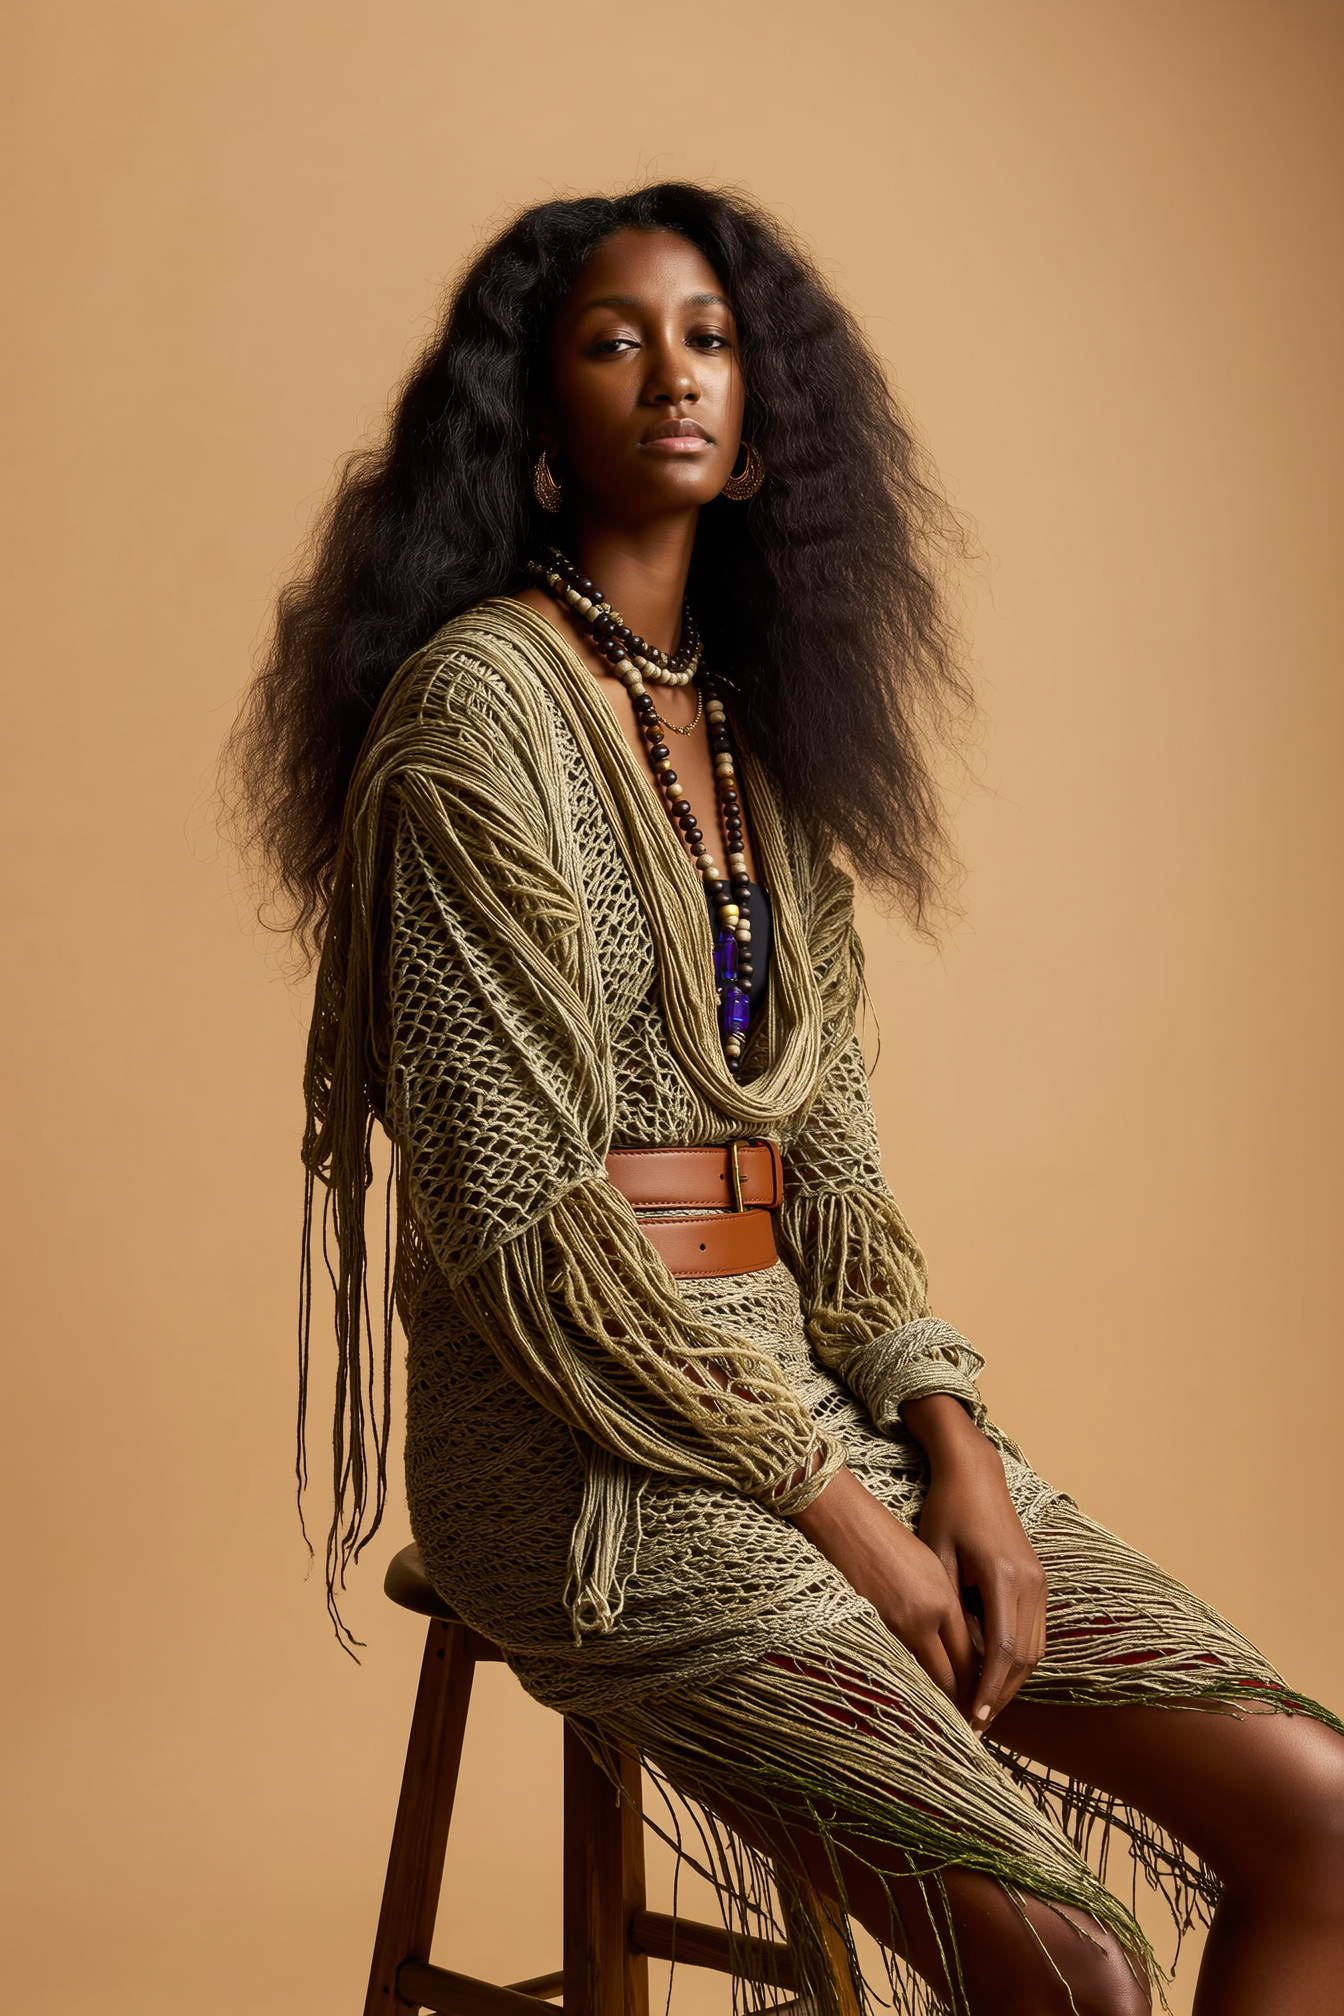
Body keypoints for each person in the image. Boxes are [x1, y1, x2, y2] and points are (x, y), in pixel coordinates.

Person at [229, 186, 1344, 2015]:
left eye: (711, 338)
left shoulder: (753, 739)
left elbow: (827, 1160)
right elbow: (527, 1238)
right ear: (531, 418)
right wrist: (845, 1512)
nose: (674, 373)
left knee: (1321, 1816)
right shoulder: (473, 721)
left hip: (817, 1412)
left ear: (760, 422)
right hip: (579, 1453)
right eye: (615, 340)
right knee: (1074, 1972)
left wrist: (952, 1444)